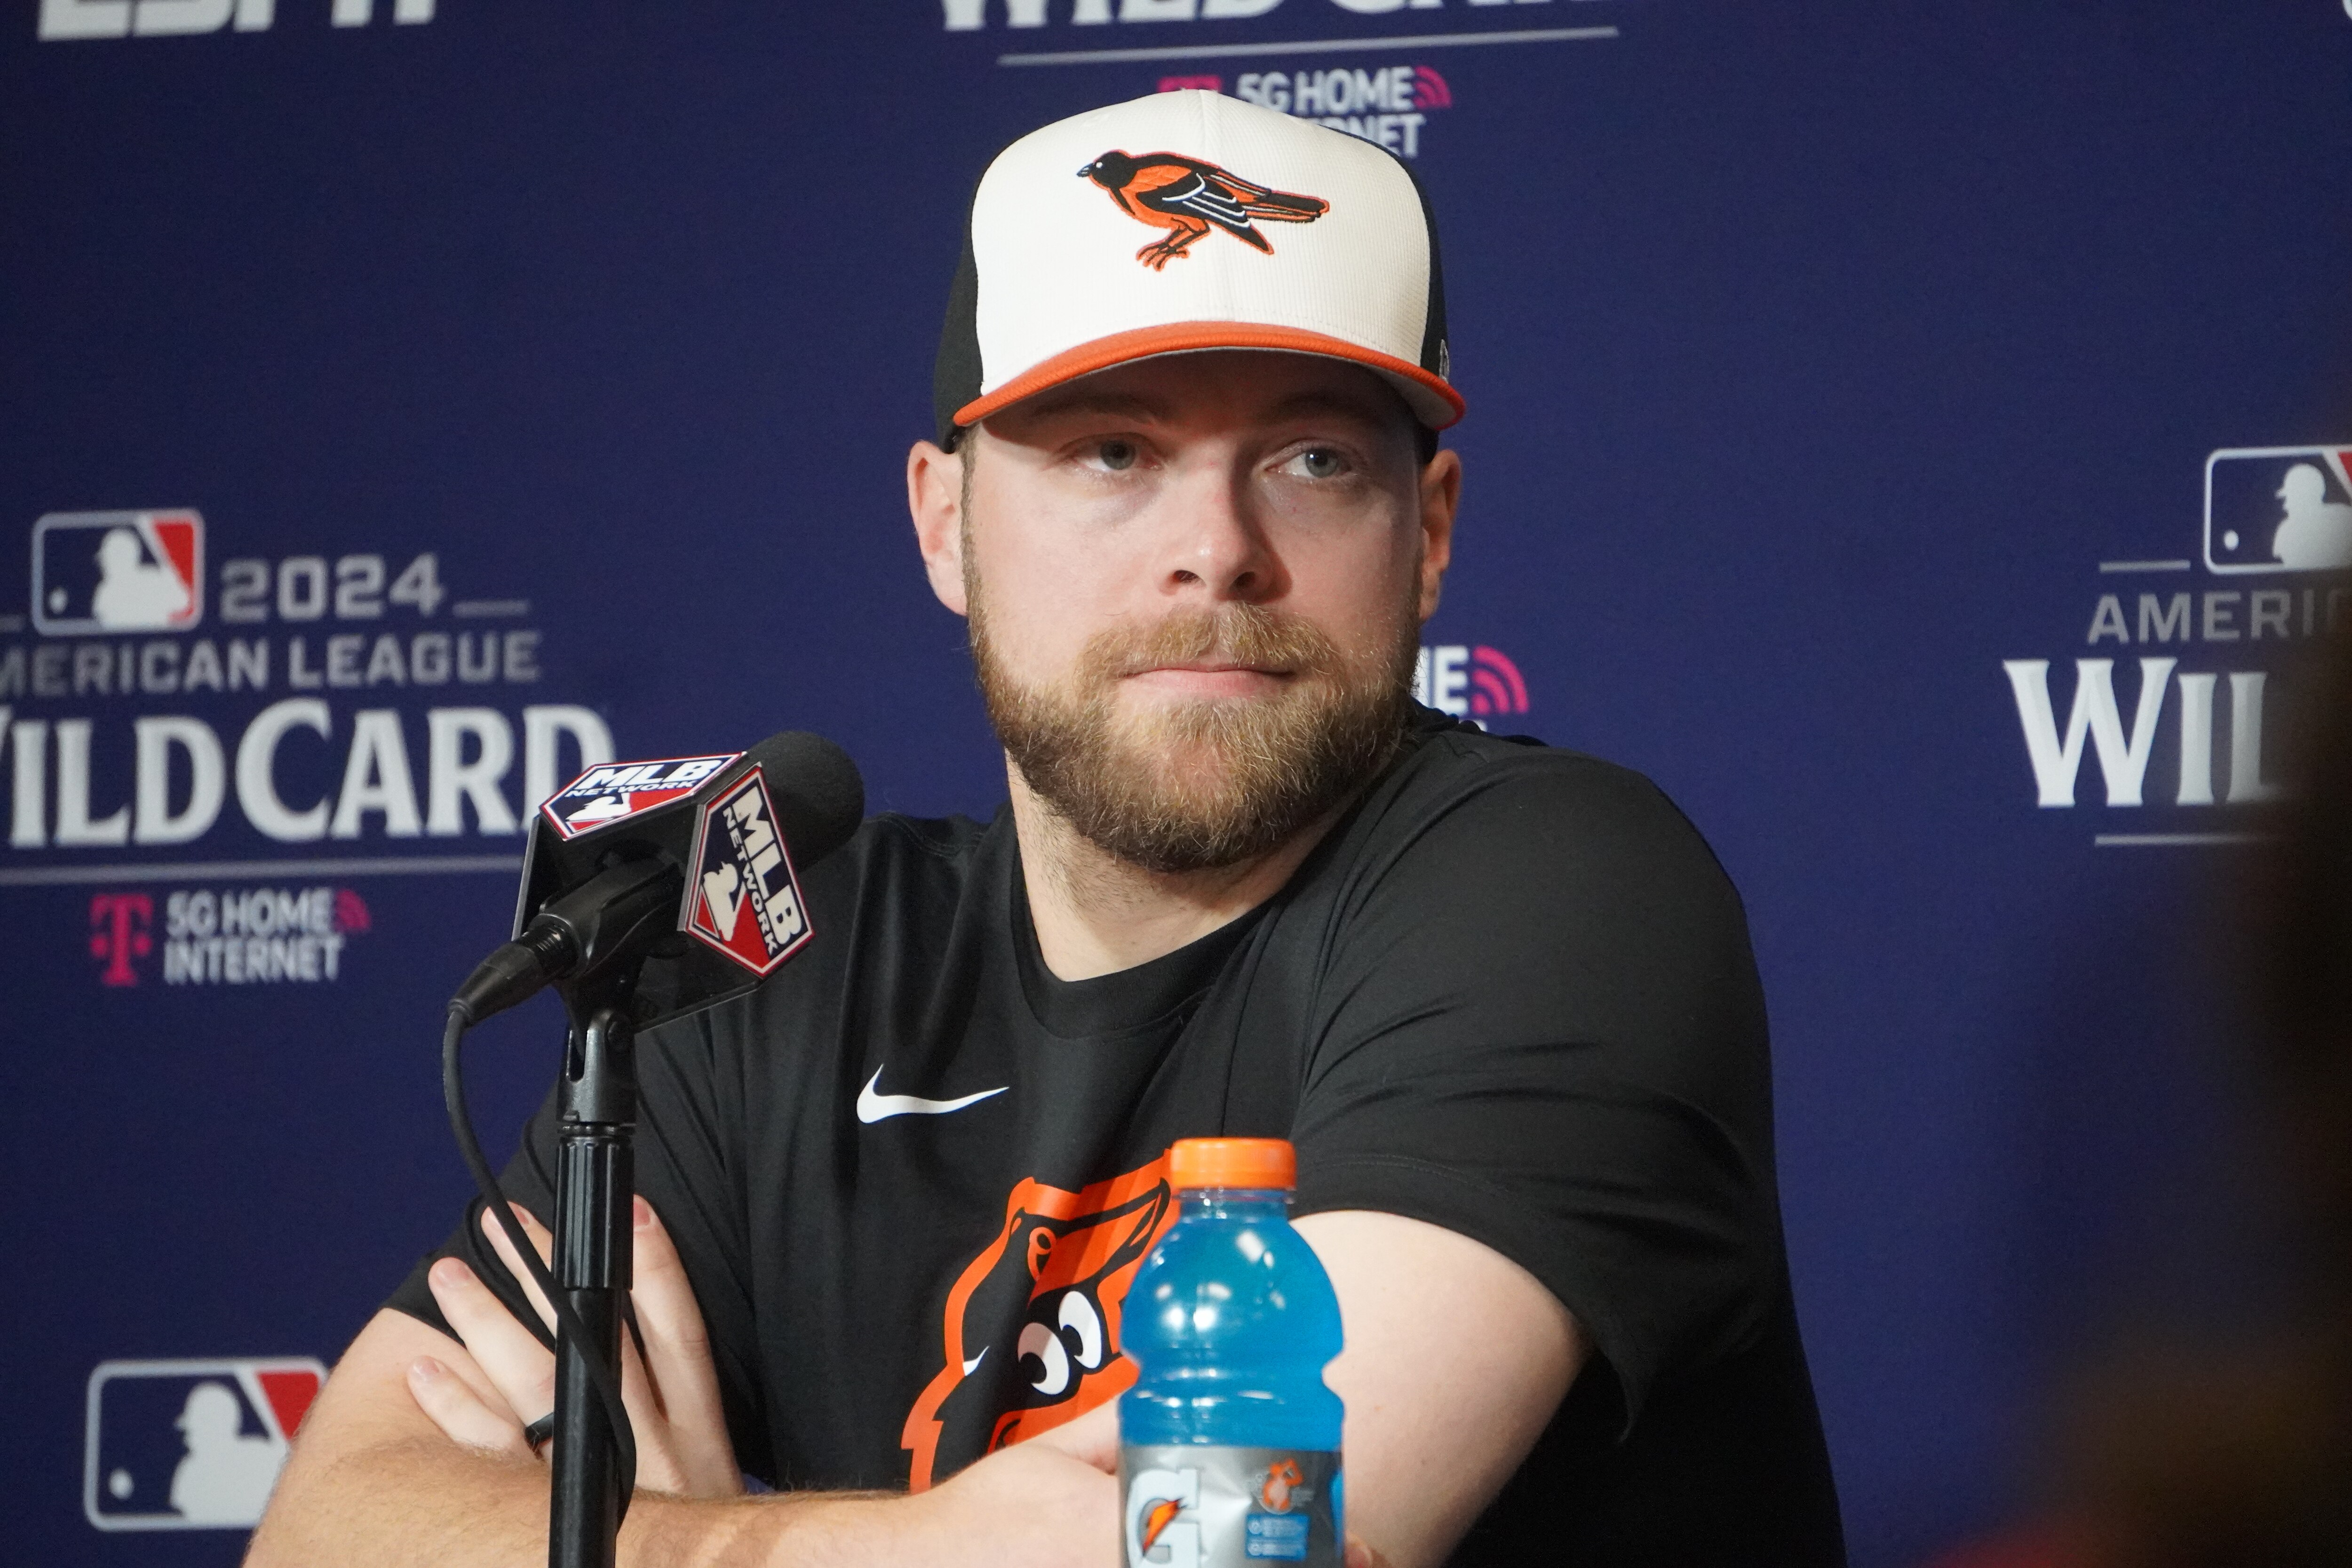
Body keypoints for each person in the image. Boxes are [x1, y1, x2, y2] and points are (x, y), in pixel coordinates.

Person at [249, 91, 1843, 1567]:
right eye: (1112, 452)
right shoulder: (773, 965)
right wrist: (767, 1550)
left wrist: (643, 1539)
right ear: (947, 524)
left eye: (1311, 458)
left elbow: (1229, 1547)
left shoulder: (1562, 891)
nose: (1214, 551)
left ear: (1427, 537)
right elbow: (324, 1528)